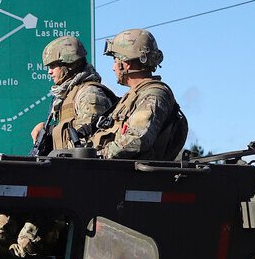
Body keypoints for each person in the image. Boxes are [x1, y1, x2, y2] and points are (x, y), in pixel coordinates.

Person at [91, 28, 187, 160]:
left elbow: (137, 139)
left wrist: (97, 156)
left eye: (115, 60)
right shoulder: (133, 96)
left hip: (140, 178)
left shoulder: (154, 95)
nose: (113, 67)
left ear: (126, 64)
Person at [31, 35, 115, 150]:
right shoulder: (66, 95)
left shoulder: (89, 94)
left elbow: (89, 141)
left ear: (69, 64)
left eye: (52, 66)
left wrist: (52, 136)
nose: (49, 72)